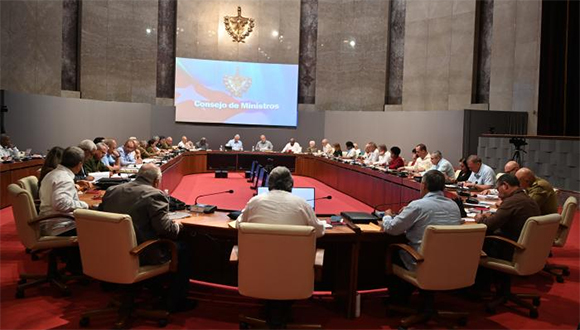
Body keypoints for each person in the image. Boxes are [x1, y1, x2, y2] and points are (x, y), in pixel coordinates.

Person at [99, 164, 195, 313]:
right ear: (157, 181)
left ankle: (152, 286)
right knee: (182, 248)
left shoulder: (112, 191)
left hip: (110, 251)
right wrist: (178, 225)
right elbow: (166, 230)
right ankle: (176, 301)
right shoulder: (154, 195)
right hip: (139, 254)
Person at [382, 170, 462, 301]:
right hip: (448, 263)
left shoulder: (418, 205)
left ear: (423, 185)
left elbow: (392, 229)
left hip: (422, 262)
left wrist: (387, 216)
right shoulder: (454, 206)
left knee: (392, 250)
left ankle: (399, 299)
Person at [237, 166, 326, 237]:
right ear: (291, 184)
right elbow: (318, 232)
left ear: (269, 183)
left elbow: (239, 225)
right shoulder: (303, 204)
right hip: (294, 259)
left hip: (257, 258)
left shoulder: (254, 202)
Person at [475, 174, 541, 260]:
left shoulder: (512, 201)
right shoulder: (527, 198)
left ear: (505, 186)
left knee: (474, 238)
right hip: (525, 247)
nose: (498, 195)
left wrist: (480, 218)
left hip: (510, 248)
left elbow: (489, 225)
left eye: (498, 190)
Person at [38, 146, 89, 236]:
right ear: (79, 164)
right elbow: (60, 203)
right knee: (102, 226)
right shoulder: (64, 179)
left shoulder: (52, 174)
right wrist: (85, 205)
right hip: (60, 227)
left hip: (49, 222)